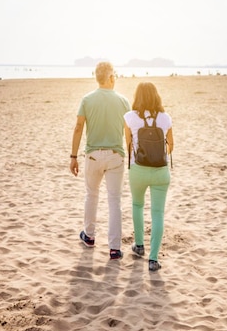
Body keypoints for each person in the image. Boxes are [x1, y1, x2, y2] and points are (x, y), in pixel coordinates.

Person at [70, 62, 131, 259]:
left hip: (93, 155)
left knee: (91, 194)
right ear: (111, 77)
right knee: (114, 201)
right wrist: (130, 155)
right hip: (115, 156)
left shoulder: (87, 99)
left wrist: (73, 156)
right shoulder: (123, 101)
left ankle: (89, 236)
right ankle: (114, 248)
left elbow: (78, 127)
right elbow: (128, 133)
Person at [124, 82, 173, 271]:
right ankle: (153, 259)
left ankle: (139, 246)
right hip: (161, 171)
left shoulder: (129, 117)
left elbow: (128, 144)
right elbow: (171, 146)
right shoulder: (166, 118)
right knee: (158, 213)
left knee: (137, 205)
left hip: (138, 169)